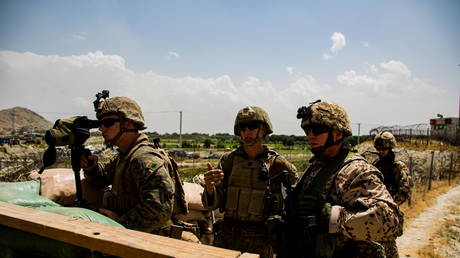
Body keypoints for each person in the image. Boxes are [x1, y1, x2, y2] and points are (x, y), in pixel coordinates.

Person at [281, 100, 404, 258]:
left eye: (318, 130)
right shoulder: (317, 167)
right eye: (308, 130)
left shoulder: (356, 170)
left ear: (338, 133)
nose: (311, 136)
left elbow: (390, 221)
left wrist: (332, 217)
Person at [80, 96, 193, 240]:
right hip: (135, 237)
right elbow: (102, 178)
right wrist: (92, 168)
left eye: (107, 123)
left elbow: (158, 208)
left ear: (127, 124)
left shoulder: (143, 158)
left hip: (152, 240)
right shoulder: (125, 155)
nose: (101, 128)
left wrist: (120, 223)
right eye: (100, 123)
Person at [202, 106, 298, 258]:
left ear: (264, 130)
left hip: (260, 242)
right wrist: (209, 188)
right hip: (227, 239)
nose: (246, 131)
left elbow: (294, 206)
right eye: (242, 127)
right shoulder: (228, 161)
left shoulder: (278, 165)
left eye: (252, 126)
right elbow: (212, 204)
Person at [373, 131, 411, 258]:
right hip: (373, 213)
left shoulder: (398, 167)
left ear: (390, 148)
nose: (380, 151)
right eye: (378, 149)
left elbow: (405, 191)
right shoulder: (375, 165)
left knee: (389, 250)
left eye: (384, 149)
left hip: (388, 214)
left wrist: (390, 204)